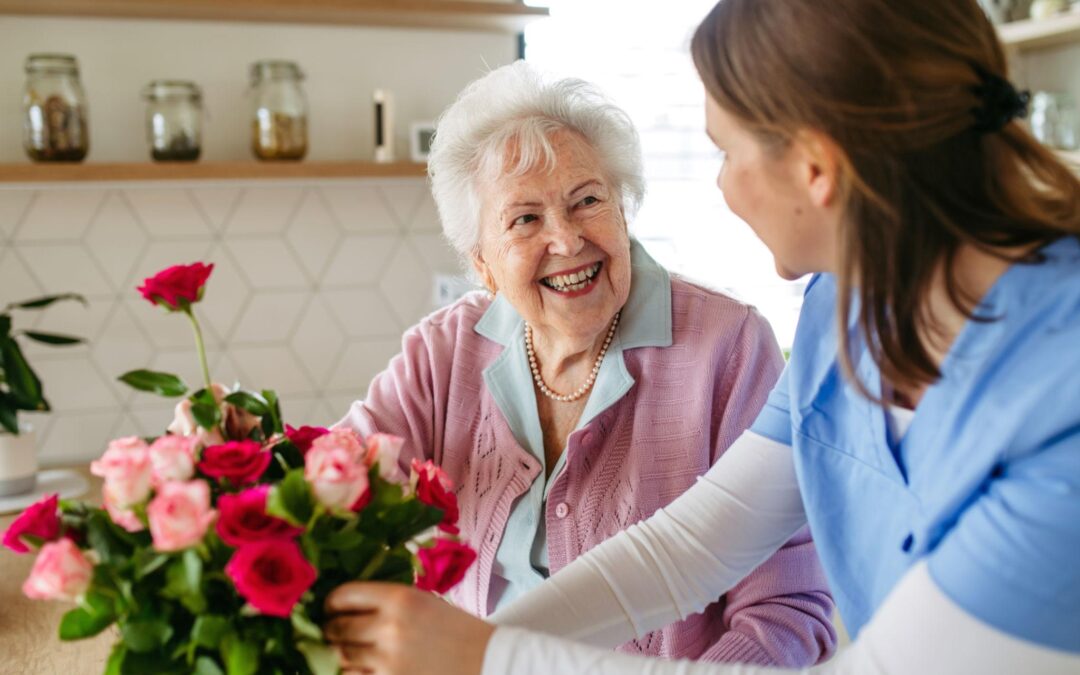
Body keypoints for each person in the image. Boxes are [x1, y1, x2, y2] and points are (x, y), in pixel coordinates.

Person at [321, 0, 1080, 673]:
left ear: (815, 167)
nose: (719, 184)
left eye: (726, 151)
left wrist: (488, 657)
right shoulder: (842, 307)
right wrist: (464, 647)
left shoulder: (1061, 402)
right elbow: (690, 547)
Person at [332, 61, 837, 666]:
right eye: (525, 219)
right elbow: (333, 478)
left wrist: (487, 657)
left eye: (587, 201)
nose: (567, 241)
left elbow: (785, 610)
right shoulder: (444, 352)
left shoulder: (728, 347)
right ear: (483, 263)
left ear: (623, 210)